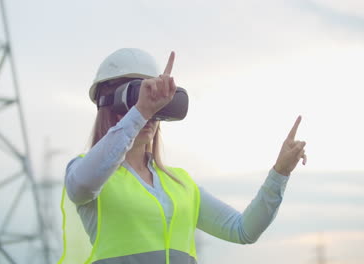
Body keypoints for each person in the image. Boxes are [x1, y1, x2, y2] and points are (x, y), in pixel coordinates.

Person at [59, 48, 307, 264]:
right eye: (142, 99)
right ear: (109, 106)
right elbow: (82, 185)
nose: (151, 113)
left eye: (157, 104)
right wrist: (141, 111)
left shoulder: (181, 184)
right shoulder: (85, 172)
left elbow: (243, 230)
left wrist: (280, 173)